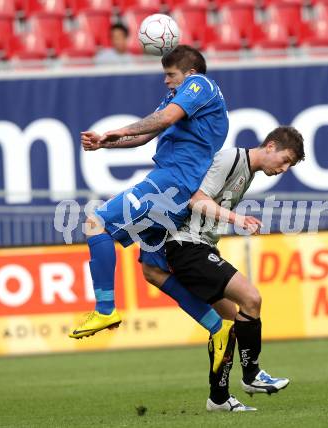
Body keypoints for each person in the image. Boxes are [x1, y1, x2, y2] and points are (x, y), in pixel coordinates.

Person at [69, 46, 232, 362]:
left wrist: (123, 129)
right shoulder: (180, 98)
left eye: (171, 75)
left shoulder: (202, 86)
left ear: (191, 75)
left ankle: (104, 309)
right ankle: (218, 327)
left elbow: (165, 118)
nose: (166, 81)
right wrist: (107, 142)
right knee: (153, 271)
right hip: (175, 186)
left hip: (172, 182)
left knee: (96, 223)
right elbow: (148, 134)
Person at [141, 126, 305, 411]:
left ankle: (218, 398)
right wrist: (236, 218)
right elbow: (197, 199)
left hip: (199, 247)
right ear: (270, 146)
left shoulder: (247, 172)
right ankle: (252, 375)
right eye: (285, 160)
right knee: (251, 298)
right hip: (186, 247)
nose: (284, 168)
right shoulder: (230, 159)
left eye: (289, 165)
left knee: (231, 325)